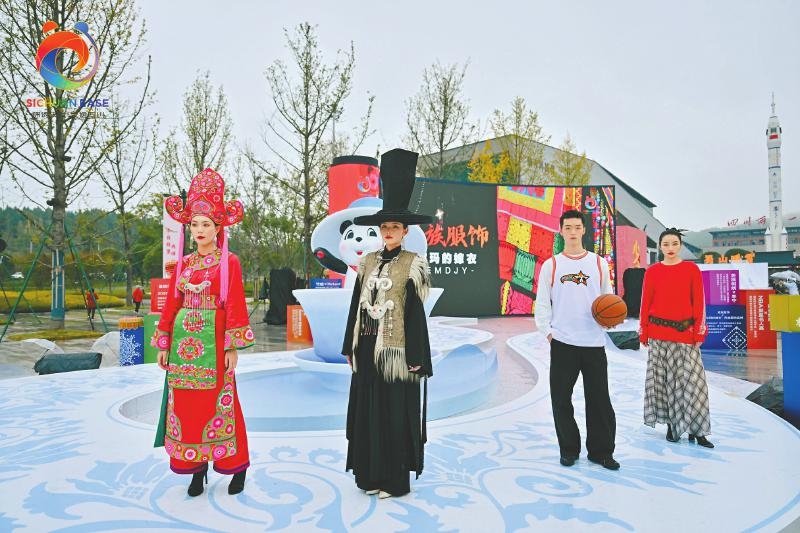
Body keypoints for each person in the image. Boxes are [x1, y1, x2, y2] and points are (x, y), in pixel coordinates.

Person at [152, 168, 255, 497]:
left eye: (206, 224)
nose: (199, 230)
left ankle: (237, 467)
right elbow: (172, 303)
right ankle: (196, 471)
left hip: (215, 342)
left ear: (218, 227)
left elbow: (235, 302)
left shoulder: (229, 262)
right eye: (194, 224)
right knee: (186, 407)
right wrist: (164, 342)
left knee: (223, 405)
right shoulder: (183, 264)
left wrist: (232, 346)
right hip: (183, 348)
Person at [342, 149, 434, 499]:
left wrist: (417, 356)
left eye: (395, 227)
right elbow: (356, 305)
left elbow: (415, 312)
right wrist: (348, 347)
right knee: (369, 412)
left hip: (397, 352)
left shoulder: (414, 263)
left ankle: (394, 481)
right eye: (384, 227)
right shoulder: (367, 262)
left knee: (394, 414)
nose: (389, 231)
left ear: (405, 230)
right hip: (367, 347)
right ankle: (369, 477)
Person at [535, 209, 620, 470]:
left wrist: (607, 323)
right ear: (561, 231)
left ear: (584, 230)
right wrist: (548, 333)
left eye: (577, 227)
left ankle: (601, 452)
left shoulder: (598, 263)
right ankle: (569, 450)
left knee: (599, 400)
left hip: (593, 342)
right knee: (561, 400)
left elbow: (608, 299)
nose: (572, 232)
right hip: (563, 343)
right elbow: (542, 303)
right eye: (568, 228)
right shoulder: (552, 265)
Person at [639, 228, 713, 448]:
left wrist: (699, 331)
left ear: (680, 245)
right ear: (660, 246)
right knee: (665, 384)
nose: (670, 248)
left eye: (674, 243)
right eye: (666, 244)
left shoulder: (691, 269)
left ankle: (697, 430)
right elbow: (645, 303)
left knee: (694, 384)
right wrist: (644, 330)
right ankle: (672, 425)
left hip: (685, 335)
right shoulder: (652, 272)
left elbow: (699, 301)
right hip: (658, 335)